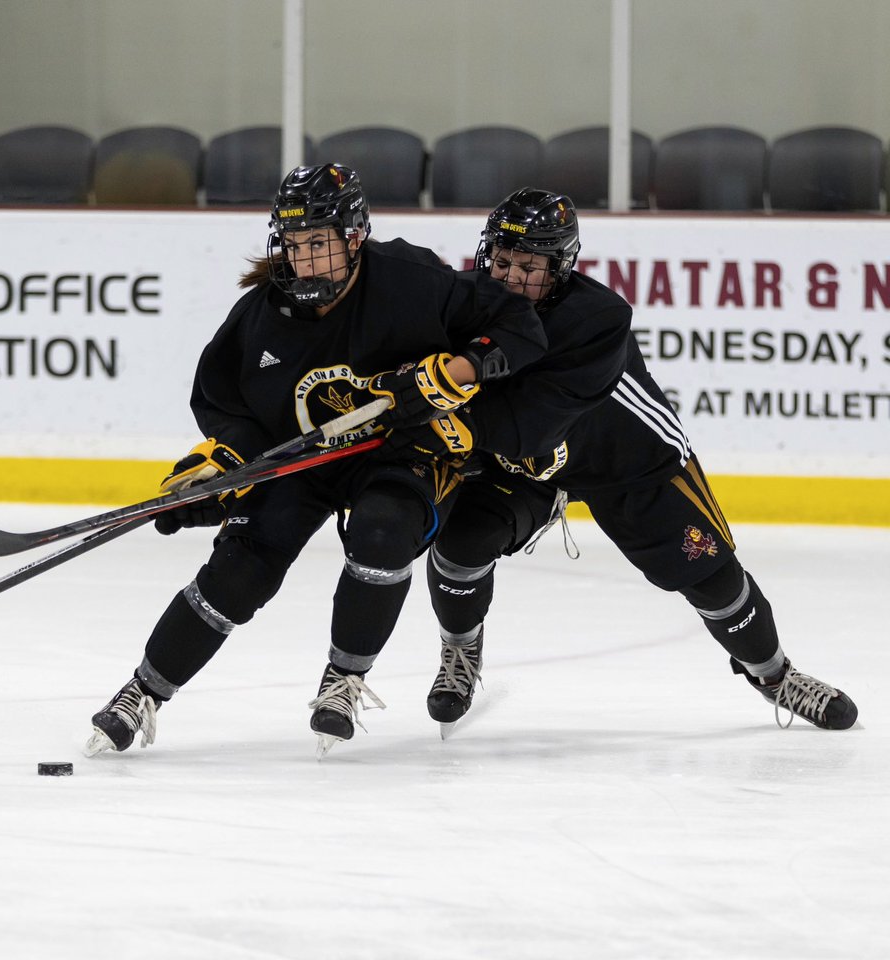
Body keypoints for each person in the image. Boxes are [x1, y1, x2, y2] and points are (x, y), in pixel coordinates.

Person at [83, 163, 547, 757]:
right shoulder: (261, 315)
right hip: (306, 458)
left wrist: (456, 372)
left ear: (354, 237)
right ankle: (143, 692)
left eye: (318, 244)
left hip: (401, 451)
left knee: (383, 532)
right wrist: (220, 465)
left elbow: (519, 326)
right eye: (295, 245)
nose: (305, 261)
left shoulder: (410, 280)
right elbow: (230, 409)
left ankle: (345, 678)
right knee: (241, 568)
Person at [405, 187, 858, 734]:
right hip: (524, 462)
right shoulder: (467, 303)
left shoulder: (595, 318)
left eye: (528, 267)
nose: (510, 279)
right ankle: (460, 649)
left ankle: (775, 676)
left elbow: (542, 419)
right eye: (501, 262)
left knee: (714, 580)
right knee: (460, 546)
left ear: (560, 267)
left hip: (626, 461)